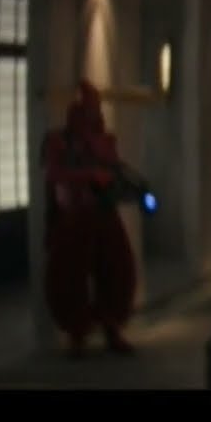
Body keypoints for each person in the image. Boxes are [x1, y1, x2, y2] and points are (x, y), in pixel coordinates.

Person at [40, 80, 138, 358]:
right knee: (69, 274)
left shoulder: (105, 141)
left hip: (103, 211)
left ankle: (111, 325)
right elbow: (54, 174)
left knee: (117, 269)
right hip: (74, 213)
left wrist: (115, 180)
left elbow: (113, 169)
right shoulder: (58, 141)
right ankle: (77, 331)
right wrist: (88, 176)